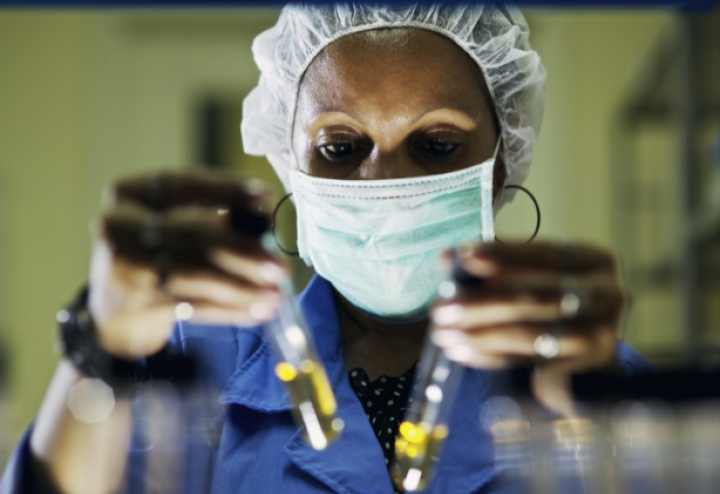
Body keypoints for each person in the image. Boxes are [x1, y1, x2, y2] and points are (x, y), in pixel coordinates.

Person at [1, 4, 654, 494]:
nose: (386, 182)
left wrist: (603, 411)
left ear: (501, 164)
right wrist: (100, 344)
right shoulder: (198, 362)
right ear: (292, 170)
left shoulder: (588, 372)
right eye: (341, 148)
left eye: (436, 145)